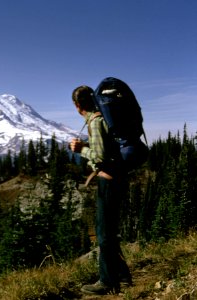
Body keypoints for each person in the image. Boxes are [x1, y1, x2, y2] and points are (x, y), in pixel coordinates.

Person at [70, 85, 132, 295]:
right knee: (109, 231)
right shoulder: (104, 118)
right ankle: (122, 275)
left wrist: (82, 150)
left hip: (108, 181)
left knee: (104, 233)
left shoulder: (95, 122)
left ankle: (107, 281)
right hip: (119, 178)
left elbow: (100, 157)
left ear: (77, 106)